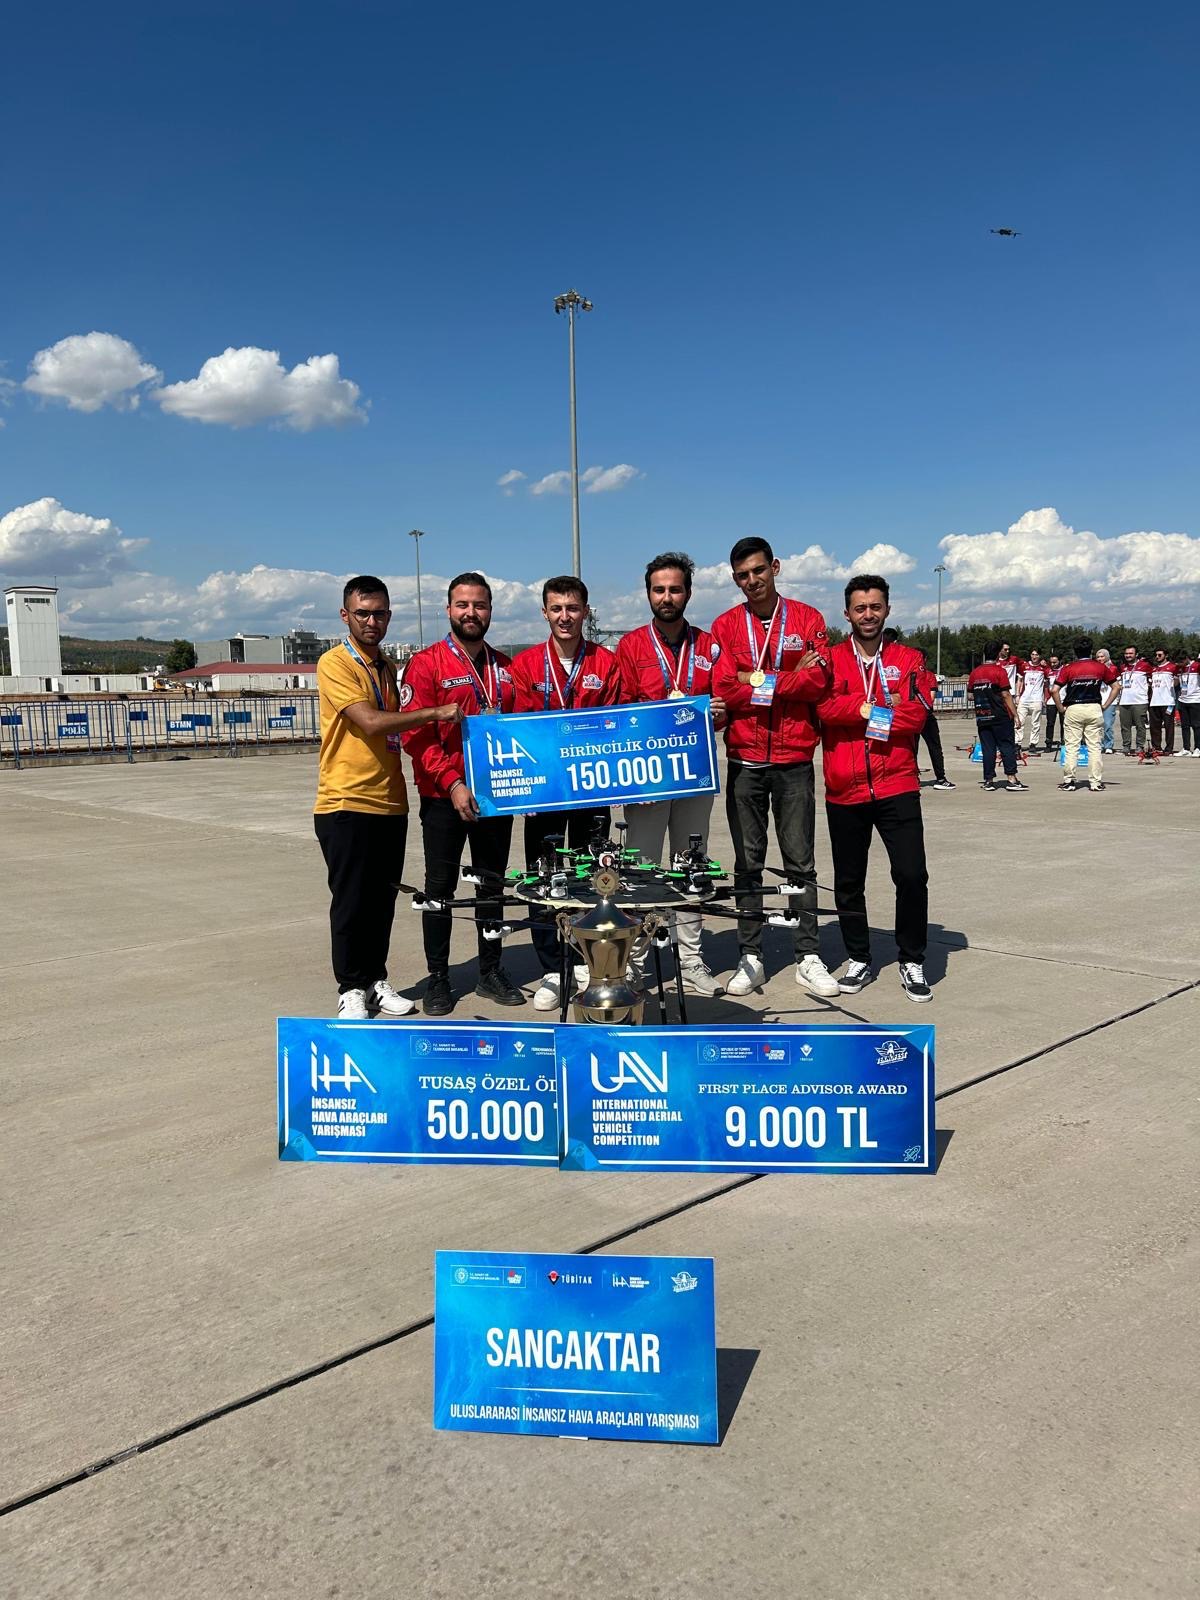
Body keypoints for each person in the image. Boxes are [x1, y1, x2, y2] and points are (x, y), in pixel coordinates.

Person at [314, 576, 463, 1019]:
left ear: (389, 616)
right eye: (362, 614)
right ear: (346, 616)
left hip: (390, 801)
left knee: (381, 902)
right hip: (346, 800)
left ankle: (375, 979)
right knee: (351, 902)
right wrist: (435, 712)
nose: (371, 622)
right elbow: (371, 722)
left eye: (379, 614)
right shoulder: (335, 663)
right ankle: (350, 987)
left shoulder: (386, 667)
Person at [711, 536, 840, 999]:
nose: (752, 580)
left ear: (776, 567)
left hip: (794, 759)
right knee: (747, 863)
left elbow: (818, 682)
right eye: (743, 575)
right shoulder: (725, 626)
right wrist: (788, 676)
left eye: (759, 570)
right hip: (745, 759)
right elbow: (724, 688)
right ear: (735, 579)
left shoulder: (807, 618)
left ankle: (808, 954)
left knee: (800, 861)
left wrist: (755, 679)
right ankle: (751, 955)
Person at [400, 572, 523, 1015]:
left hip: (495, 798)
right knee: (440, 889)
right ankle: (438, 978)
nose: (471, 613)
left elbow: (522, 731)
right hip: (443, 797)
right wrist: (452, 783)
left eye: (480, 605)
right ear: (449, 610)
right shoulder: (426, 664)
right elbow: (415, 736)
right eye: (463, 605)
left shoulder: (505, 668)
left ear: (490, 610)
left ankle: (491, 970)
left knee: (492, 886)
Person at [616, 552, 727, 997]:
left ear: (688, 593)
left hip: (695, 774)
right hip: (646, 776)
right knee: (641, 869)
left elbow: (724, 704)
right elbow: (621, 711)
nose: (667, 597)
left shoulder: (709, 645)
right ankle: (635, 962)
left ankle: (692, 959)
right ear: (648, 594)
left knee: (691, 865)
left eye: (675, 589)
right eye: (659, 589)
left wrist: (718, 712)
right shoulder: (631, 647)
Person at [510, 576, 622, 1010]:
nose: (564, 616)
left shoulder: (606, 663)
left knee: (593, 875)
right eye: (556, 608)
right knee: (544, 878)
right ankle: (551, 969)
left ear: (585, 612)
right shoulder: (526, 665)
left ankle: (586, 961)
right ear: (544, 612)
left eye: (572, 608)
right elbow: (516, 728)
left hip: (592, 788)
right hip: (544, 792)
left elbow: (617, 723)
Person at [820, 578, 932, 1003]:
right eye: (860, 608)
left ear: (887, 610)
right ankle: (859, 956)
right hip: (844, 788)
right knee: (849, 880)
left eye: (875, 606)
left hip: (896, 783)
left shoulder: (909, 659)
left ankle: (912, 958)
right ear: (847, 614)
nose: (868, 614)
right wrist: (867, 707)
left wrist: (860, 711)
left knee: (911, 874)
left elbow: (917, 715)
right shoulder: (831, 660)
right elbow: (823, 707)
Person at [882, 631, 953, 790]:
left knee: (909, 748)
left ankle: (911, 777)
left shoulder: (891, 668)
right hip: (923, 714)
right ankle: (940, 778)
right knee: (934, 747)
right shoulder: (927, 675)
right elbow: (930, 697)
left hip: (900, 712)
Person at [1050, 638, 1118, 793]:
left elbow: (1054, 690)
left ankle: (1069, 781)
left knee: (1072, 746)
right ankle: (1095, 782)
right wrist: (1105, 705)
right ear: (1091, 651)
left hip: (1074, 708)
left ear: (1075, 652)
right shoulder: (1100, 667)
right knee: (1094, 746)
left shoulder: (1068, 668)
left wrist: (1061, 708)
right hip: (1094, 707)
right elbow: (1116, 687)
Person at [967, 643, 1027, 792]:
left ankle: (988, 780)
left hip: (982, 715)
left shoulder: (975, 672)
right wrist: (1015, 715)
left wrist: (983, 694)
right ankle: (1011, 779)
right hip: (1000, 715)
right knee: (1006, 746)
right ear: (997, 654)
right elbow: (1006, 694)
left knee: (988, 748)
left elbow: (970, 696)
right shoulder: (1000, 671)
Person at [1117, 646, 1151, 755]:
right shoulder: (1122, 667)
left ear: (1136, 654)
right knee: (1125, 726)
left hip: (1140, 701)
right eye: (1126, 653)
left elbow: (1152, 679)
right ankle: (1126, 746)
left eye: (1130, 653)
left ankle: (1140, 746)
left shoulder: (1145, 666)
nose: (1128, 655)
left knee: (1140, 726)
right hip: (1124, 701)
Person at [1016, 648, 1050, 753]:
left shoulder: (1043, 668)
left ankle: (1033, 744)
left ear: (1040, 656)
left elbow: (1047, 681)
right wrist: (1017, 695)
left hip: (1037, 699)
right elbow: (1019, 680)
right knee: (1019, 721)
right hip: (1024, 698)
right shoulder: (1024, 666)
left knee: (1035, 723)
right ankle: (1017, 743)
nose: (1034, 656)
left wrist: (1045, 697)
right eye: (1032, 654)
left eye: (1036, 655)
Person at [1148, 648, 1179, 756]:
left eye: (1160, 655)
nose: (1157, 657)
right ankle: (1156, 747)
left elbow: (1177, 681)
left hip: (1168, 701)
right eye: (1156, 655)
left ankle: (1169, 748)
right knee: (1154, 727)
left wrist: (1174, 683)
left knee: (1169, 726)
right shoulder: (1153, 669)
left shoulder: (1173, 667)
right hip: (1154, 702)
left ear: (1166, 655)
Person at [1094, 648, 1118, 752]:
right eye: (1098, 657)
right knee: (1096, 725)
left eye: (1102, 656)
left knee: (1107, 724)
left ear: (1107, 657)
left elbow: (1117, 685)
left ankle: (1108, 745)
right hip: (1097, 700)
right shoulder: (1094, 668)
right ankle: (1098, 744)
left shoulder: (1113, 668)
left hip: (1109, 700)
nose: (1100, 659)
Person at [1177, 653, 1200, 756]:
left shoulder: (1197, 666)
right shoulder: (1180, 668)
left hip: (1195, 700)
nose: (1180, 664)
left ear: (1186, 658)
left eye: (1181, 661)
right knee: (1184, 726)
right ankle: (1186, 748)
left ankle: (1198, 748)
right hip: (1183, 700)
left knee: (1196, 725)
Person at [1044, 654, 1064, 748]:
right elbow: (1046, 685)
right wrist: (1046, 697)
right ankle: (1049, 743)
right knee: (1050, 723)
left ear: (1059, 661)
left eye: (1055, 662)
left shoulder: (1064, 670)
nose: (1052, 664)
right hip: (1051, 700)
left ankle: (1064, 742)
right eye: (1051, 662)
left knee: (1064, 723)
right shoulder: (1047, 671)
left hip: (1063, 699)